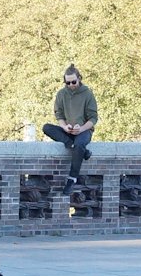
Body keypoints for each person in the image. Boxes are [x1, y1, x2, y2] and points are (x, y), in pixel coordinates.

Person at [41, 64, 98, 194]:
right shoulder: (61, 94)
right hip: (68, 131)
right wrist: (64, 126)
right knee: (47, 128)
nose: (71, 84)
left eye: (74, 81)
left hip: (84, 131)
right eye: (68, 82)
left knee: (79, 144)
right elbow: (59, 115)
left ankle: (72, 179)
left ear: (79, 78)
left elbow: (93, 118)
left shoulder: (87, 94)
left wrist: (82, 128)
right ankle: (78, 149)